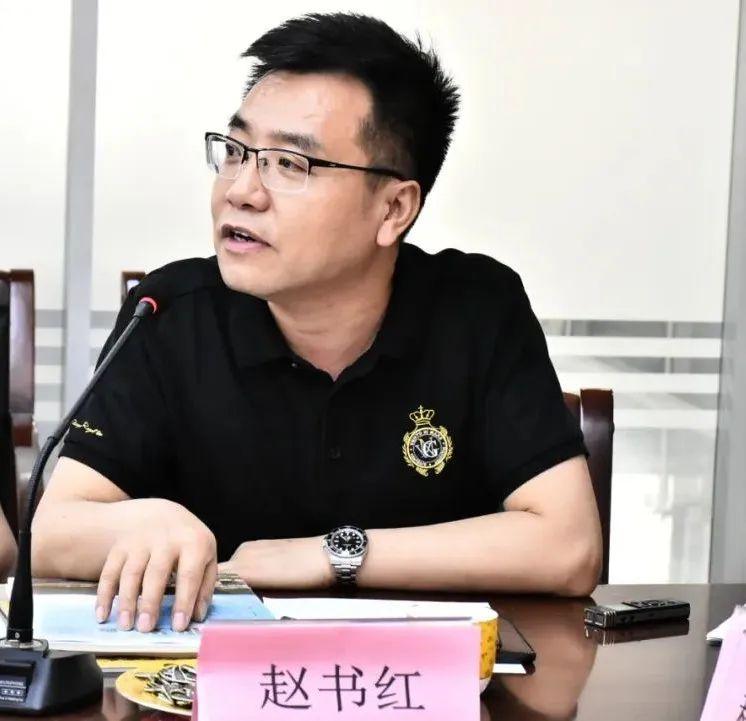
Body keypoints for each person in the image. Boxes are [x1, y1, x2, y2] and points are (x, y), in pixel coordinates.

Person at [31, 12, 602, 633]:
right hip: (220, 676)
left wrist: (332, 555)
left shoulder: (476, 310)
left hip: (423, 673)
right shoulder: (169, 312)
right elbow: (50, 532)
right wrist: (142, 522)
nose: (241, 191)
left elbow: (568, 547)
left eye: (290, 164)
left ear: (394, 208)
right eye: (236, 152)